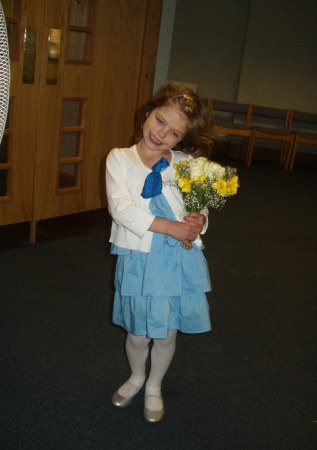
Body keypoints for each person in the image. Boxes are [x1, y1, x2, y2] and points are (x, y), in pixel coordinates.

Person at [106, 82, 213, 423]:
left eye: (174, 133)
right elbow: (122, 209)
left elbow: (200, 208)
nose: (162, 134)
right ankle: (137, 376)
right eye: (160, 121)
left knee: (166, 332)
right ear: (146, 114)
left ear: (181, 141)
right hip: (140, 259)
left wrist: (199, 220)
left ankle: (154, 385)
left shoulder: (186, 164)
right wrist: (171, 227)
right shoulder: (119, 159)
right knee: (138, 333)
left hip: (177, 261)